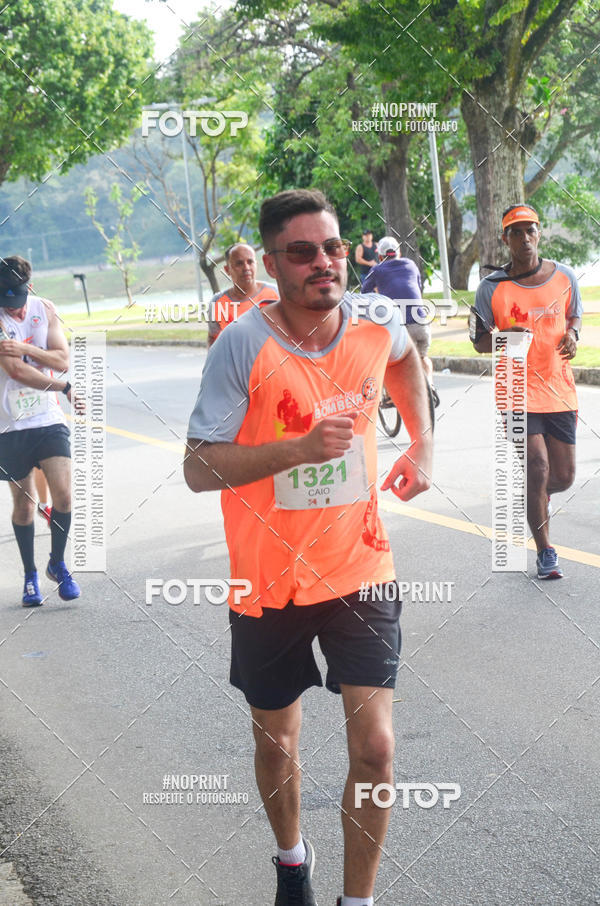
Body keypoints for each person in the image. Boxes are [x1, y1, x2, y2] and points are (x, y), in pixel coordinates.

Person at [184, 189, 433, 906]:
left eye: (332, 248)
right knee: (277, 744)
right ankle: (291, 859)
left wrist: (423, 443)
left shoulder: (376, 320)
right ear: (271, 264)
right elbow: (198, 467)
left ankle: (358, 901)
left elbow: (407, 359)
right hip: (268, 580)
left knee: (377, 748)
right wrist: (292, 450)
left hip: (361, 567)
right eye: (303, 253)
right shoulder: (242, 345)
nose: (324, 263)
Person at [470, 204, 582, 580]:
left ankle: (536, 495)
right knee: (537, 464)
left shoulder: (564, 276)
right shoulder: (491, 288)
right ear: (506, 239)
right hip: (515, 390)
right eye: (516, 232)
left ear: (540, 233)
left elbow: (574, 315)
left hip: (559, 388)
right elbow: (479, 343)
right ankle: (546, 551)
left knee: (561, 476)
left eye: (530, 230)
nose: (524, 237)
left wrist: (574, 334)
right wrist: (504, 338)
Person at [0, 255, 80, 606]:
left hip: (47, 419)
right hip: (10, 424)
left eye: (17, 300)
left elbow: (63, 359)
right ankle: (30, 574)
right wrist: (61, 387)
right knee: (24, 504)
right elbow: (17, 371)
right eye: (6, 301)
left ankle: (57, 563)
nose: (13, 310)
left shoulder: (44, 308)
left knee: (63, 496)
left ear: (29, 288)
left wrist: (27, 347)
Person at [362, 235, 439, 405]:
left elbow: (363, 295)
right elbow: (417, 288)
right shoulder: (411, 265)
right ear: (399, 252)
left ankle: (389, 396)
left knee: (385, 361)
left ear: (380, 256)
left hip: (399, 328)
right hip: (421, 325)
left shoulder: (377, 270)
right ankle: (430, 384)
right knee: (423, 357)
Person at [207, 242, 279, 346]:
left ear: (256, 264)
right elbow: (213, 339)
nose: (246, 268)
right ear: (227, 270)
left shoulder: (275, 294)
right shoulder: (218, 303)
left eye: (250, 262)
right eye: (239, 263)